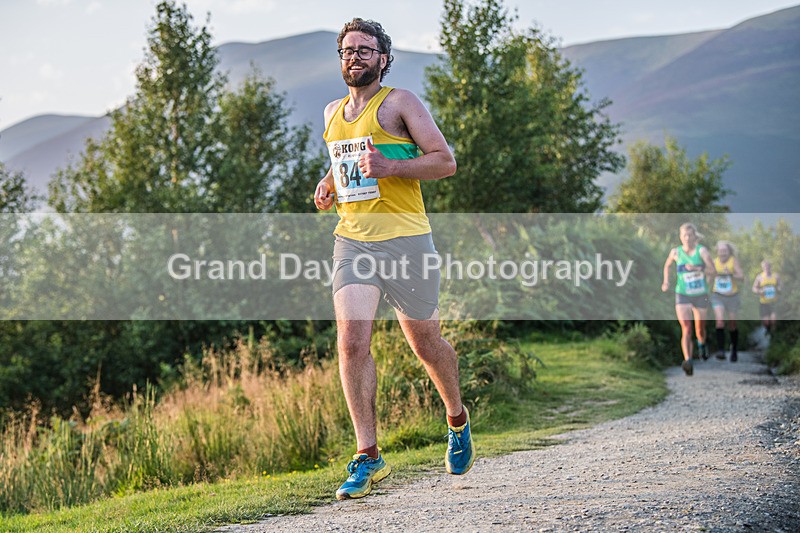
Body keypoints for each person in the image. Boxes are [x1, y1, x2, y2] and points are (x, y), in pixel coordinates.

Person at [313, 18, 474, 500]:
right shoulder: (331, 112)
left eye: (365, 50)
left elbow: (444, 161)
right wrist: (328, 184)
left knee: (426, 344)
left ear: (383, 58)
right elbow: (346, 160)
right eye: (347, 50)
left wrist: (392, 168)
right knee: (350, 341)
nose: (354, 57)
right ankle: (368, 455)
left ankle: (457, 417)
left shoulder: (401, 103)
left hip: (407, 242)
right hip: (353, 241)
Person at [661, 223, 715, 376]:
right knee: (686, 328)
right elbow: (667, 266)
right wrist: (666, 281)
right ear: (680, 236)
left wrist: (699, 269)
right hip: (682, 293)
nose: (687, 238)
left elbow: (713, 270)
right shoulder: (676, 252)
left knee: (699, 329)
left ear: (694, 236)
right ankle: (688, 360)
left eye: (690, 235)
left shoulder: (702, 251)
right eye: (684, 235)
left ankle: (702, 344)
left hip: (700, 294)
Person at [711, 240, 744, 362]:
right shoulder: (714, 262)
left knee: (732, 323)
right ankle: (721, 350)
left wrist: (730, 274)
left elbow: (741, 277)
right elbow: (708, 276)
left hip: (732, 296)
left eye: (724, 251)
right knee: (719, 321)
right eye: (720, 251)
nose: (722, 253)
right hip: (717, 295)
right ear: (717, 252)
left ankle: (734, 349)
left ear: (729, 251)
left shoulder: (733, 261)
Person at [752, 260, 781, 335]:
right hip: (764, 302)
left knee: (773, 319)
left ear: (770, 267)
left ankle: (774, 335)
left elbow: (780, 286)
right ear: (762, 268)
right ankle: (767, 334)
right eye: (765, 267)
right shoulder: (760, 277)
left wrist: (778, 289)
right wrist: (760, 291)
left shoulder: (776, 276)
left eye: (768, 266)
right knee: (766, 322)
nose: (767, 268)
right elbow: (754, 288)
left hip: (774, 302)